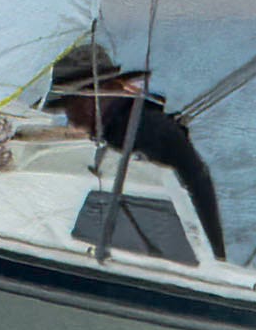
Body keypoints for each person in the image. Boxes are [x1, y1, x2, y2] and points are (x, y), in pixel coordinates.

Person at [46, 39, 225, 258]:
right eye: (68, 104)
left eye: (75, 102)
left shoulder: (141, 131)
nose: (71, 115)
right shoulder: (129, 124)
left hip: (166, 257)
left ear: (108, 90)